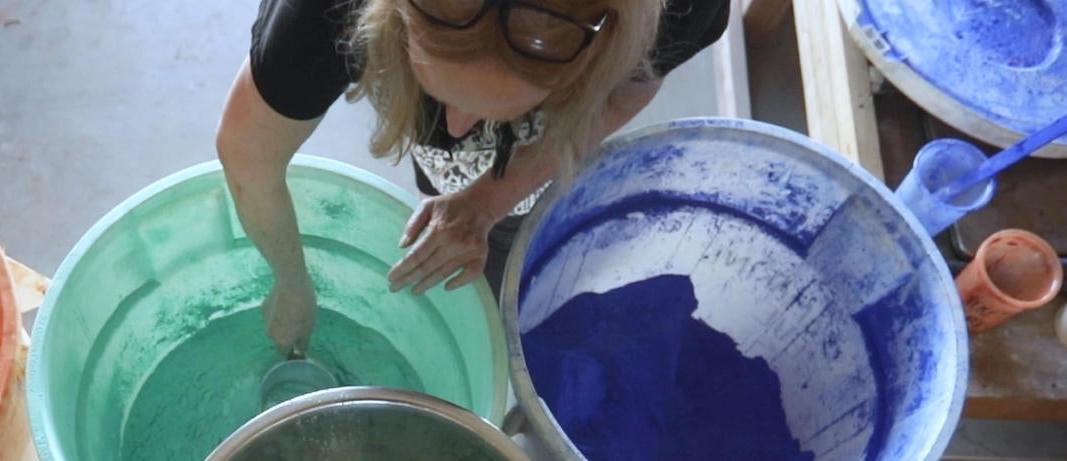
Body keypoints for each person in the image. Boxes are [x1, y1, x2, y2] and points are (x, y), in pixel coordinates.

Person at [217, 0, 730, 356]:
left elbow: (630, 88)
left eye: (503, 109)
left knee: (507, 227)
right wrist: (291, 282)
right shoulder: (321, 17)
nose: (459, 130)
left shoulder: (674, 12)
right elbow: (247, 157)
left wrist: (488, 202)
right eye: (442, 90)